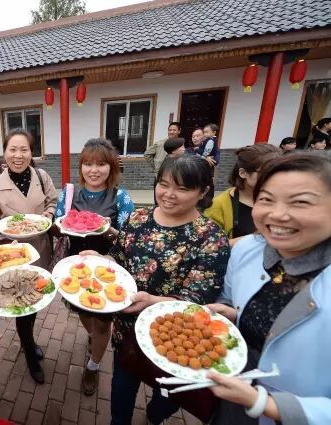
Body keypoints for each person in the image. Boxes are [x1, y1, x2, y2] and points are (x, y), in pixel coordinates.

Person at [82, 155, 230, 425]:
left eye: (182, 188)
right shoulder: (139, 218)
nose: (169, 194)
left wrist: (152, 301)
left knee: (166, 398)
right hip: (127, 329)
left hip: (173, 337)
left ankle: (153, 416)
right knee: (121, 390)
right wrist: (102, 261)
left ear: (203, 192)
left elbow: (197, 299)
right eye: (163, 184)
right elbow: (119, 257)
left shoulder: (210, 238)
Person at [206, 151, 331, 425]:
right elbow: (231, 300)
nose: (277, 214)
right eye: (266, 199)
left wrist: (268, 405)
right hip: (234, 395)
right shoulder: (247, 250)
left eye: (301, 202)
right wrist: (233, 314)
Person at [53, 138, 134, 395]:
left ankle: (93, 365)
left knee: (102, 323)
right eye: (88, 164)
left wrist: (108, 230)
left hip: (107, 269)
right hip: (75, 267)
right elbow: (58, 227)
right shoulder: (69, 194)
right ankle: (93, 338)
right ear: (81, 167)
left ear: (111, 167)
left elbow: (130, 239)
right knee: (84, 313)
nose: (94, 170)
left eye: (101, 164)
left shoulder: (120, 197)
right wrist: (54, 224)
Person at [0, 128, 58, 384]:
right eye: (12, 149)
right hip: (14, 255)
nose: (18, 155)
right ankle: (28, 350)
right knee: (22, 306)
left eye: (24, 149)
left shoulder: (42, 176)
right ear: (4, 153)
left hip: (41, 249)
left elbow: (52, 201)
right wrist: (1, 231)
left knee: (36, 299)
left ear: (31, 152)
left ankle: (30, 342)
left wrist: (47, 215)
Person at [205, 144, 281, 245]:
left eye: (278, 173)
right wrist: (258, 238)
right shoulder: (219, 205)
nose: (273, 178)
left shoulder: (283, 200)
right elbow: (210, 246)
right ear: (243, 173)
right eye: (266, 173)